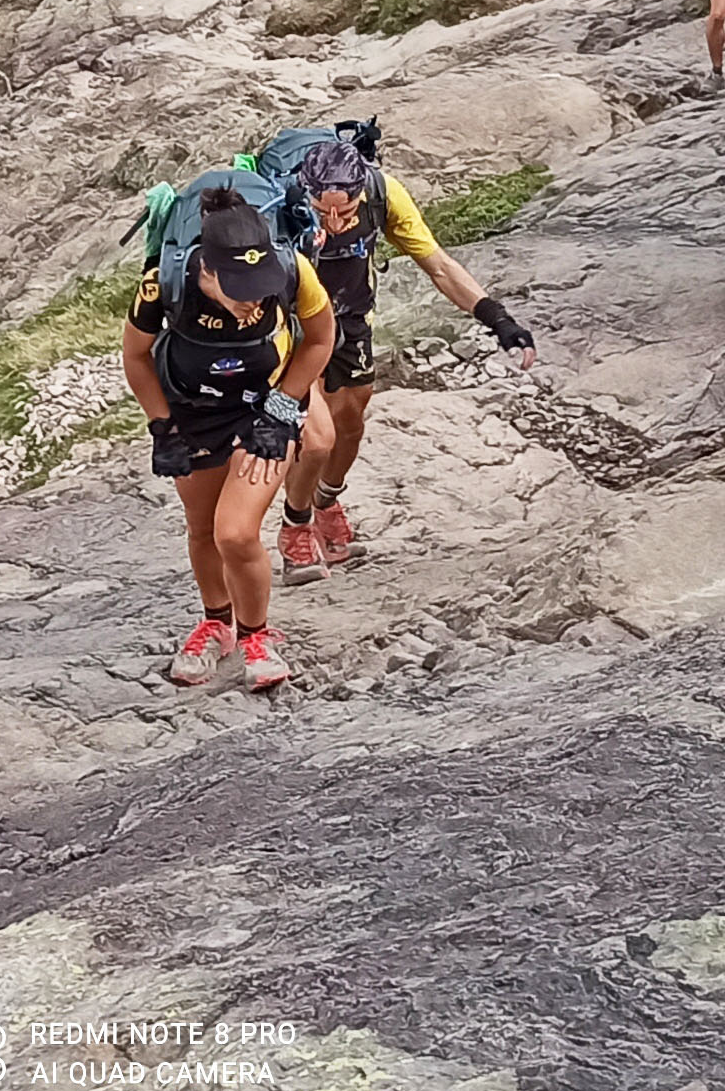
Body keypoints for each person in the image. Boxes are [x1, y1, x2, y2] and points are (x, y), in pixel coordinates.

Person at [276, 137, 538, 582]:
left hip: (350, 321)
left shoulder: (383, 194)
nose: (336, 222)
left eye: (347, 211)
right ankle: (294, 529)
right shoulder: (282, 210)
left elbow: (437, 265)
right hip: (295, 329)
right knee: (316, 438)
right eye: (324, 212)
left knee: (351, 424)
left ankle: (325, 502)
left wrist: (498, 320)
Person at [121, 186, 336, 690]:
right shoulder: (164, 285)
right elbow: (135, 356)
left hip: (263, 411)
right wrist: (160, 426)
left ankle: (256, 638)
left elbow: (322, 339)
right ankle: (216, 623)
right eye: (241, 290)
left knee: (235, 532)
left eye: (260, 288)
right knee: (201, 528)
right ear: (208, 272)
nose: (255, 300)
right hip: (194, 412)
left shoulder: (290, 270)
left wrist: (284, 408)